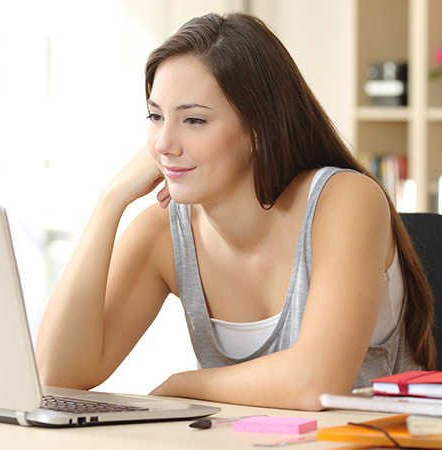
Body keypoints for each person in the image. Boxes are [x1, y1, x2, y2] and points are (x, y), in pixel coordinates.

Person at [34, 12, 436, 411]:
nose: (164, 143)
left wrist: (181, 385)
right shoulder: (165, 231)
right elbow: (58, 373)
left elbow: (314, 383)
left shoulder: (344, 199)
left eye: (193, 120)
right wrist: (110, 202)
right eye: (156, 116)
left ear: (257, 128)